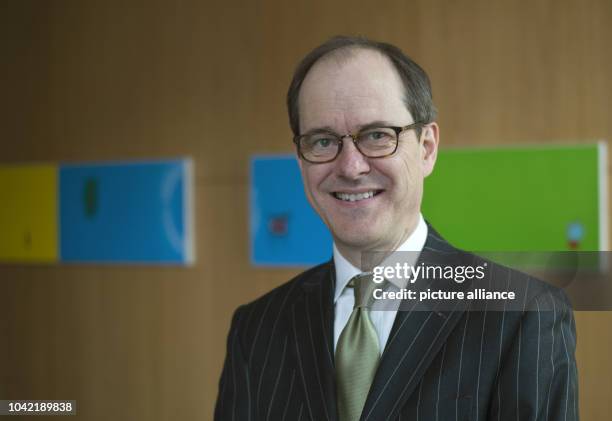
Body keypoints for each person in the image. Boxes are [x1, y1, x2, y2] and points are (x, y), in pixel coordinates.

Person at [214, 36, 578, 421]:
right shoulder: (256, 328)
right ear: (301, 161)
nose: (351, 167)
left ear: (427, 148)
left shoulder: (523, 315)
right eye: (323, 141)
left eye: (377, 136)